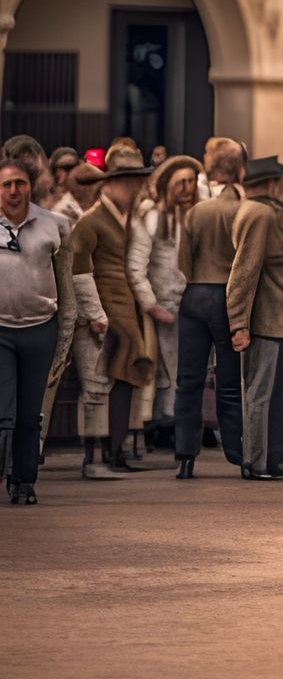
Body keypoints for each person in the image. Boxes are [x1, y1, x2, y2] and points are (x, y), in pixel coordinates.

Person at [70, 145, 158, 478]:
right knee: (97, 386)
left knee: (125, 381)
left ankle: (115, 451)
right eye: (131, 181)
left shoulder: (128, 220)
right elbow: (80, 271)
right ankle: (94, 459)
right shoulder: (92, 221)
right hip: (102, 315)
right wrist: (95, 314)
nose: (137, 188)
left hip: (126, 313)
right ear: (113, 183)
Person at [227, 155, 283, 480]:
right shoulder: (258, 213)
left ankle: (278, 460)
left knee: (277, 394)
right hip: (266, 318)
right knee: (260, 393)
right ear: (272, 182)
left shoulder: (275, 209)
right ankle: (255, 461)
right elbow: (244, 272)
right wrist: (238, 322)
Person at [0, 159, 76, 504]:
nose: (13, 191)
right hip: (0, 330)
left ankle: (24, 479)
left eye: (19, 183)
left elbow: (66, 287)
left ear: (30, 187)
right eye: (6, 184)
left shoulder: (54, 226)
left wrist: (64, 338)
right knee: (4, 410)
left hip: (40, 329)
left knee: (31, 412)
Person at [174, 138, 247, 478]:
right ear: (240, 169)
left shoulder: (197, 212)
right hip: (228, 296)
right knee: (229, 381)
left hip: (195, 294)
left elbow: (182, 262)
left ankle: (185, 457)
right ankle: (236, 451)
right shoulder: (246, 209)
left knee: (188, 379)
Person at [126, 154, 200, 446]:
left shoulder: (197, 215)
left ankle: (179, 424)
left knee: (186, 368)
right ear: (168, 184)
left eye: (191, 182)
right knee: (163, 370)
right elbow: (136, 263)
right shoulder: (154, 217)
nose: (186, 187)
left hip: (192, 303)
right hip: (162, 305)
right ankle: (161, 424)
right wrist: (149, 302)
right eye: (181, 181)